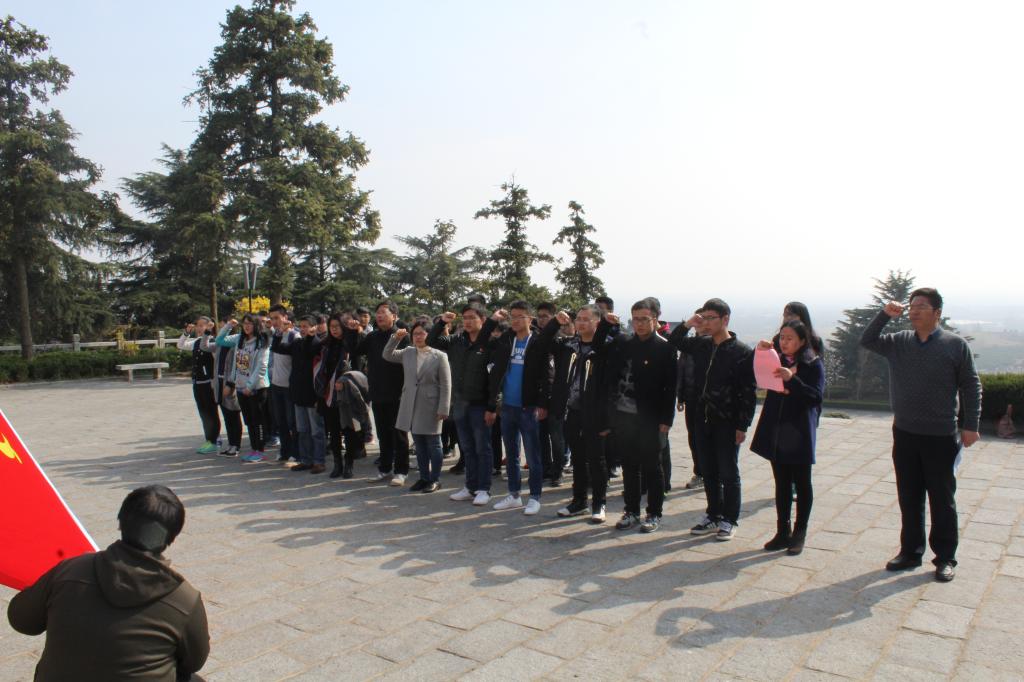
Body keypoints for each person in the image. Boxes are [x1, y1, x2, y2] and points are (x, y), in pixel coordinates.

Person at [7, 485, 210, 682]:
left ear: (120, 522)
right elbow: (193, 662)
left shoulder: (69, 570)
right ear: (171, 538)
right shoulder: (184, 600)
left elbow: (21, 620)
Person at [861, 288, 982, 582]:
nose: (914, 310)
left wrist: (971, 424)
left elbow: (971, 385)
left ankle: (945, 557)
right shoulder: (900, 341)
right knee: (909, 495)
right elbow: (868, 340)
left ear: (937, 313)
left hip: (940, 435)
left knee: (942, 498)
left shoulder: (954, 345)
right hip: (905, 432)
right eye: (912, 306)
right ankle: (910, 552)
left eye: (921, 306)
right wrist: (884, 315)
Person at [669, 298, 756, 541]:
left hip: (727, 421)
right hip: (702, 418)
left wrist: (742, 425)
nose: (706, 323)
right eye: (703, 317)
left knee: (728, 472)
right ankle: (713, 514)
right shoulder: (702, 345)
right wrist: (688, 323)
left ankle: (730, 519)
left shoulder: (741, 352)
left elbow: (748, 392)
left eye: (711, 318)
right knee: (708, 471)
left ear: (725, 319)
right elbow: (674, 341)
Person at [751, 320, 825, 555]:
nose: (784, 342)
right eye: (782, 337)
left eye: (790, 338)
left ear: (802, 341)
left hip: (799, 430)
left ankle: (799, 532)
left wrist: (792, 380)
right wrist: (759, 352)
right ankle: (782, 531)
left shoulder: (812, 363)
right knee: (781, 482)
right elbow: (752, 374)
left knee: (802, 482)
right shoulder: (776, 358)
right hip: (777, 429)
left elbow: (815, 397)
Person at [605, 297, 678, 533]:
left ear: (656, 319)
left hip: (651, 417)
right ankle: (632, 511)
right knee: (629, 466)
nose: (639, 324)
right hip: (624, 415)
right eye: (635, 319)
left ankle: (654, 513)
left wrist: (666, 420)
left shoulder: (665, 348)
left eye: (644, 319)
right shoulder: (625, 343)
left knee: (652, 468)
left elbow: (671, 387)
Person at [487, 300, 560, 515]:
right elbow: (483, 341)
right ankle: (514, 494)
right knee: (511, 454)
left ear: (530, 319)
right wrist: (493, 320)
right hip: (508, 407)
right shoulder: (507, 340)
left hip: (529, 408)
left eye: (520, 316)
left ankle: (535, 497)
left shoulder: (538, 341)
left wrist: (543, 404)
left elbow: (548, 376)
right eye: (513, 316)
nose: (515, 320)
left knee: (533, 455)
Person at [430, 303, 503, 507]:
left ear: (483, 320)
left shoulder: (491, 344)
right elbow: (431, 341)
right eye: (465, 318)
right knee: (468, 448)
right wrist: (442, 322)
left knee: (483, 448)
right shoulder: (457, 340)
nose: (468, 321)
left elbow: (496, 378)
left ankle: (484, 489)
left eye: (472, 317)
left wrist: (492, 406)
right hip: (460, 403)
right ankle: (470, 487)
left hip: (481, 404)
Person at [553, 305, 616, 523]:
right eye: (578, 319)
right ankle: (579, 501)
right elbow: (543, 344)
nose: (580, 323)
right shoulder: (570, 345)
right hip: (572, 410)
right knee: (578, 459)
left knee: (597, 460)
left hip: (595, 413)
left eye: (586, 319)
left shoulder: (607, 347)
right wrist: (555, 323)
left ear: (598, 322)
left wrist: (607, 419)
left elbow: (611, 386)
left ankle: (599, 503)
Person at [383, 317, 453, 492]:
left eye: (422, 333)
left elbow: (446, 384)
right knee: (419, 444)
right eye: (415, 334)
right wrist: (395, 338)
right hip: (411, 404)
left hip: (431, 405)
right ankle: (423, 477)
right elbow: (387, 354)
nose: (418, 337)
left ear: (429, 334)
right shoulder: (408, 352)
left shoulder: (439, 356)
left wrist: (444, 408)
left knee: (434, 444)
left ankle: (435, 479)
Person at [348, 300, 410, 485]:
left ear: (394, 316)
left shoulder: (402, 336)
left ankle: (401, 471)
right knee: (383, 433)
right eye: (378, 312)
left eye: (384, 312)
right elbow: (355, 351)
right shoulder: (373, 336)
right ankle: (385, 468)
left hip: (398, 393)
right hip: (377, 391)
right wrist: (352, 332)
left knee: (399, 434)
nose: (380, 316)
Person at [271, 314, 327, 474]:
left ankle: (319, 461)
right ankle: (305, 460)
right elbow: (278, 348)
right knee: (302, 430)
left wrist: (311, 336)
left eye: (306, 326)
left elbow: (309, 351)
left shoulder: (318, 343)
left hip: (313, 394)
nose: (303, 329)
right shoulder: (296, 343)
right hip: (297, 393)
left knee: (316, 431)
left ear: (314, 327)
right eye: (301, 326)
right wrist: (279, 332)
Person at [216, 314, 271, 463]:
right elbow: (219, 340)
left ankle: (260, 450)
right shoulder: (239, 339)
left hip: (256, 388)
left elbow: (262, 366)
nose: (247, 326)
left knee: (258, 420)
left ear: (256, 325)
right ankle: (254, 449)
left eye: (250, 323)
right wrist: (228, 326)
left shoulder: (262, 341)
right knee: (249, 421)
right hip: (240, 387)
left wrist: (250, 385)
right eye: (244, 323)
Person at [177, 317, 220, 455]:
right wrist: (186, 333)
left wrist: (214, 382)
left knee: (211, 412)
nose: (199, 328)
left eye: (202, 325)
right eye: (198, 325)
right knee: (203, 413)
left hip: (208, 384)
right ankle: (209, 439)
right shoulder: (196, 342)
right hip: (197, 383)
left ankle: (214, 440)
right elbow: (180, 345)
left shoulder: (212, 342)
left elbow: (217, 363)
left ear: (209, 326)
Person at [317, 313, 352, 478]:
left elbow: (357, 367)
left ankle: (349, 463)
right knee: (333, 430)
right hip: (328, 393)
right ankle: (338, 464)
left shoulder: (350, 344)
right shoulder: (325, 345)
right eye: (332, 327)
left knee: (349, 430)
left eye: (337, 326)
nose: (334, 330)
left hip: (346, 393)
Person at [203, 316, 243, 457]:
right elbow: (204, 346)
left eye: (225, 326)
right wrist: (207, 332)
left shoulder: (236, 344)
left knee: (233, 414)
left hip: (230, 384)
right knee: (226, 416)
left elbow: (237, 367)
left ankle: (236, 445)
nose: (221, 328)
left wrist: (231, 384)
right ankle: (231, 444)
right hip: (219, 383)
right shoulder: (220, 344)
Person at [677, 308, 707, 490]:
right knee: (693, 437)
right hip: (691, 398)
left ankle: (712, 472)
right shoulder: (689, 345)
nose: (700, 323)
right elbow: (681, 370)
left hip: (709, 402)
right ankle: (699, 472)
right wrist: (680, 397)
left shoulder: (714, 344)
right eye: (698, 320)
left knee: (707, 439)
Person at [267, 305, 300, 464]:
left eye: (276, 318)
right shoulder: (276, 335)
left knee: (292, 421)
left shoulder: (294, 335)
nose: (274, 321)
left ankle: (296, 452)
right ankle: (284, 451)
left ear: (285, 317)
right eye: (271, 318)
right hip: (276, 384)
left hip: (289, 386)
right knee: (280, 421)